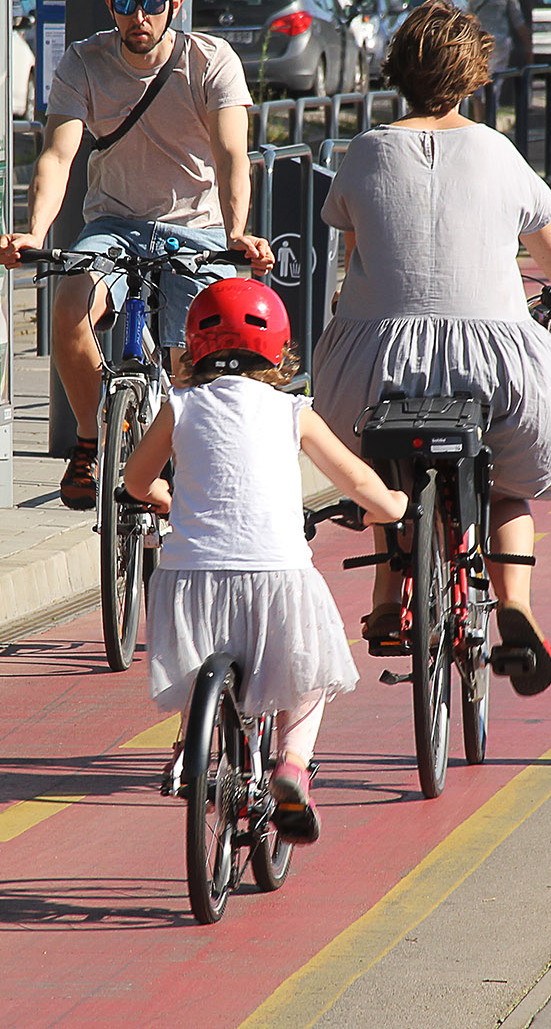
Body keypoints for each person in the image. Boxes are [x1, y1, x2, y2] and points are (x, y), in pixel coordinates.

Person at [310, 0, 551, 698]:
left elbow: (360, 257)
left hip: (373, 364)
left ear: (397, 74)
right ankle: (517, 609)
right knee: (506, 484)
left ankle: (388, 596)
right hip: (497, 368)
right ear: (473, 77)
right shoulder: (499, 154)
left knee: (387, 470)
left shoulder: (365, 152)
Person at [123, 278, 407, 844]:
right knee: (305, 668)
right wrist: (391, 506)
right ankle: (292, 766)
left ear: (192, 348)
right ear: (277, 350)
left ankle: (190, 749)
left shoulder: (178, 406)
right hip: (278, 574)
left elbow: (135, 481)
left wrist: (171, 502)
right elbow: (352, 476)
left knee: (205, 658)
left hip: (189, 579)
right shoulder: (292, 411)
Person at [0, 0, 273, 509]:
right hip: (113, 225)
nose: (138, 17)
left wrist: (237, 231)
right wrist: (36, 234)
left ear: (176, 2)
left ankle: (186, 466)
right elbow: (57, 155)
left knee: (187, 361)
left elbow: (230, 157)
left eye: (151, 3)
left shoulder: (210, 60)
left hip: (194, 230)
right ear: (109, 4)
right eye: (125, 4)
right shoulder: (84, 61)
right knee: (69, 307)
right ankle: (94, 440)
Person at [464, 0, 530, 119]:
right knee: (495, 81)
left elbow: (469, 17)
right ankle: (491, 118)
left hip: (478, 42)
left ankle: (480, 118)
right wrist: (528, 45)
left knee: (477, 81)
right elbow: (518, 20)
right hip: (499, 42)